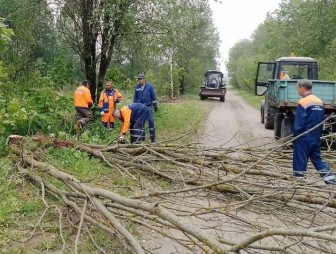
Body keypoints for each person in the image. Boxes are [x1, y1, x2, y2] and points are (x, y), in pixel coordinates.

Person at [292, 79, 336, 185]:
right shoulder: (319, 101)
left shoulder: (303, 102)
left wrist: (295, 136)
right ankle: (332, 181)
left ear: (302, 87)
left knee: (300, 161)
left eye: (297, 88)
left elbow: (299, 122)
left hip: (303, 137)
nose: (297, 90)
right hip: (315, 137)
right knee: (318, 159)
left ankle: (299, 184)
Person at [133, 73, 157, 143]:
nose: (139, 80)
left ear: (144, 79)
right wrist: (134, 107)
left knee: (151, 121)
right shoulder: (137, 87)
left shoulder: (149, 86)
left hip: (148, 107)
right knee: (141, 123)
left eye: (140, 79)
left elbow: (153, 96)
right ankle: (142, 138)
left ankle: (153, 138)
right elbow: (135, 98)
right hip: (140, 108)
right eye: (138, 79)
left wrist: (155, 105)